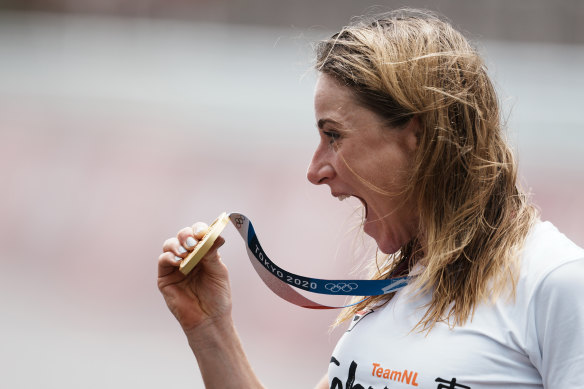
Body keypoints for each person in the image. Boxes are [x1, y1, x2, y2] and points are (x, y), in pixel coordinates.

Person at [157, 9, 584, 389]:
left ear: (418, 133)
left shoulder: (557, 283)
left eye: (334, 135)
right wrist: (210, 327)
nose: (315, 170)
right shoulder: (398, 288)